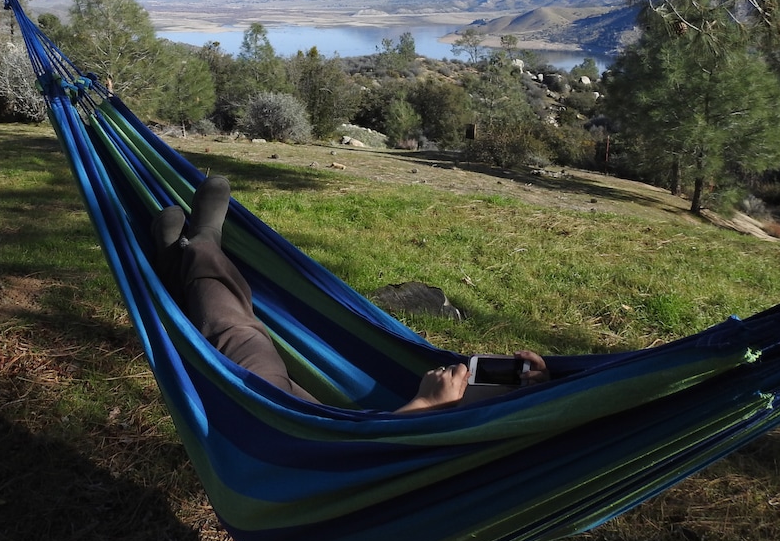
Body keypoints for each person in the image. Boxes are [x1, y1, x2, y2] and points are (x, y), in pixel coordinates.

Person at [152, 175, 548, 412]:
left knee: (240, 339)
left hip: (312, 441)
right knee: (255, 337)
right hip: (332, 424)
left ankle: (201, 246)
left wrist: (425, 405)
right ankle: (187, 266)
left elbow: (374, 467)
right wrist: (542, 394)